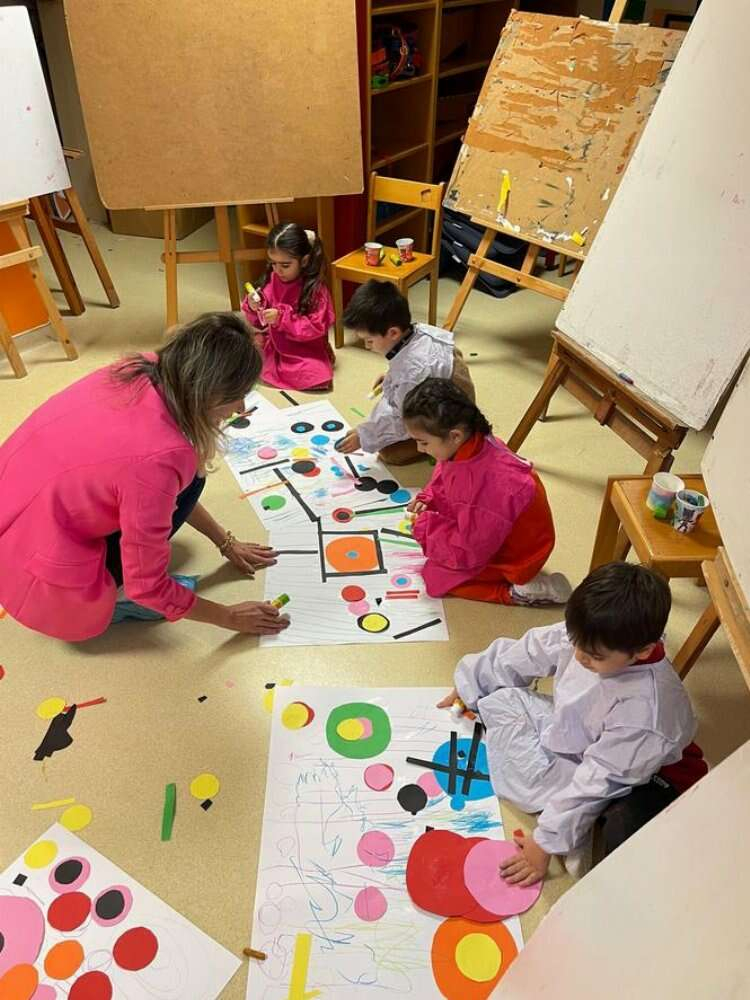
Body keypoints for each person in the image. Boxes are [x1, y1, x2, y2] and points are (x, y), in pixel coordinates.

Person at [0, 313, 290, 642]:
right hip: (44, 581)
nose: (240, 408)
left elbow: (155, 487)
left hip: (14, 520)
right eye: (238, 395)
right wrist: (230, 617)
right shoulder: (162, 456)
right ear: (208, 394)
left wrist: (225, 542)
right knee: (189, 477)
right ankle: (113, 598)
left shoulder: (141, 367)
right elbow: (148, 586)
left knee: (192, 478)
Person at [439, 562, 705, 884]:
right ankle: (574, 823)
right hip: (587, 739)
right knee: (500, 698)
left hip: (642, 776)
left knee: (577, 806)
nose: (578, 656)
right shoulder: (593, 634)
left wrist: (544, 842)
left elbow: (600, 778)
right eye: (576, 642)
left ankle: (576, 829)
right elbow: (530, 650)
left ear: (643, 651)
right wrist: (471, 683)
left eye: (593, 656)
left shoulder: (646, 712)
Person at [403, 378, 569, 605]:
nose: (419, 449)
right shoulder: (474, 441)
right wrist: (429, 497)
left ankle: (518, 592)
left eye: (423, 443)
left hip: (517, 556)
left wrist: (426, 530)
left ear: (455, 436)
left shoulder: (481, 486)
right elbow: (446, 474)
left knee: (435, 576)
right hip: (498, 530)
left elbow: (470, 551)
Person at [335, 280, 474, 465]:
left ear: (393, 333)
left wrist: (364, 436)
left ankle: (444, 445)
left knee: (389, 453)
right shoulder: (416, 330)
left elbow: (401, 418)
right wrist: (392, 376)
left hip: (453, 419)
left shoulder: (412, 371)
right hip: (451, 391)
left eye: (369, 341)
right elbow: (417, 366)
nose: (367, 347)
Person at [241, 222, 335, 391]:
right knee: (242, 353)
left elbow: (315, 327)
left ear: (304, 261)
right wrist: (254, 306)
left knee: (315, 375)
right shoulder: (273, 278)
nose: (278, 270)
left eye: (285, 265)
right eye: (273, 263)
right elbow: (259, 321)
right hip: (274, 342)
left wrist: (282, 319)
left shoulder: (316, 289)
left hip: (304, 347)